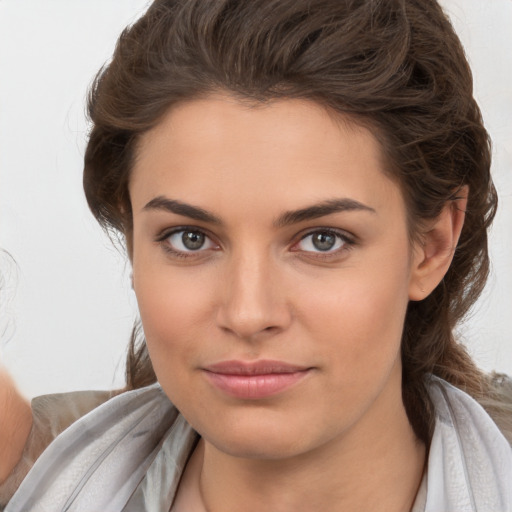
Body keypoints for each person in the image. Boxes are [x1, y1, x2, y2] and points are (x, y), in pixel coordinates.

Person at [1, 0, 512, 510]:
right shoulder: (38, 475)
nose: (248, 314)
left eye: (322, 240)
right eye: (190, 238)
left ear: (432, 245)